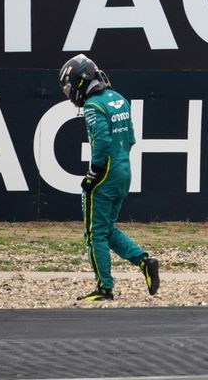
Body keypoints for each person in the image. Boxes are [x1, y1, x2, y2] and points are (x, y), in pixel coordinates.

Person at [58, 54, 160, 301]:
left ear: (81, 82)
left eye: (70, 87)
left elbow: (102, 142)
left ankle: (104, 288)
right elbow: (132, 139)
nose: (70, 93)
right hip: (124, 172)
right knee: (106, 228)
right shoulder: (119, 99)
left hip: (105, 175)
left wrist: (93, 173)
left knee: (94, 234)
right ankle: (144, 261)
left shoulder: (94, 106)